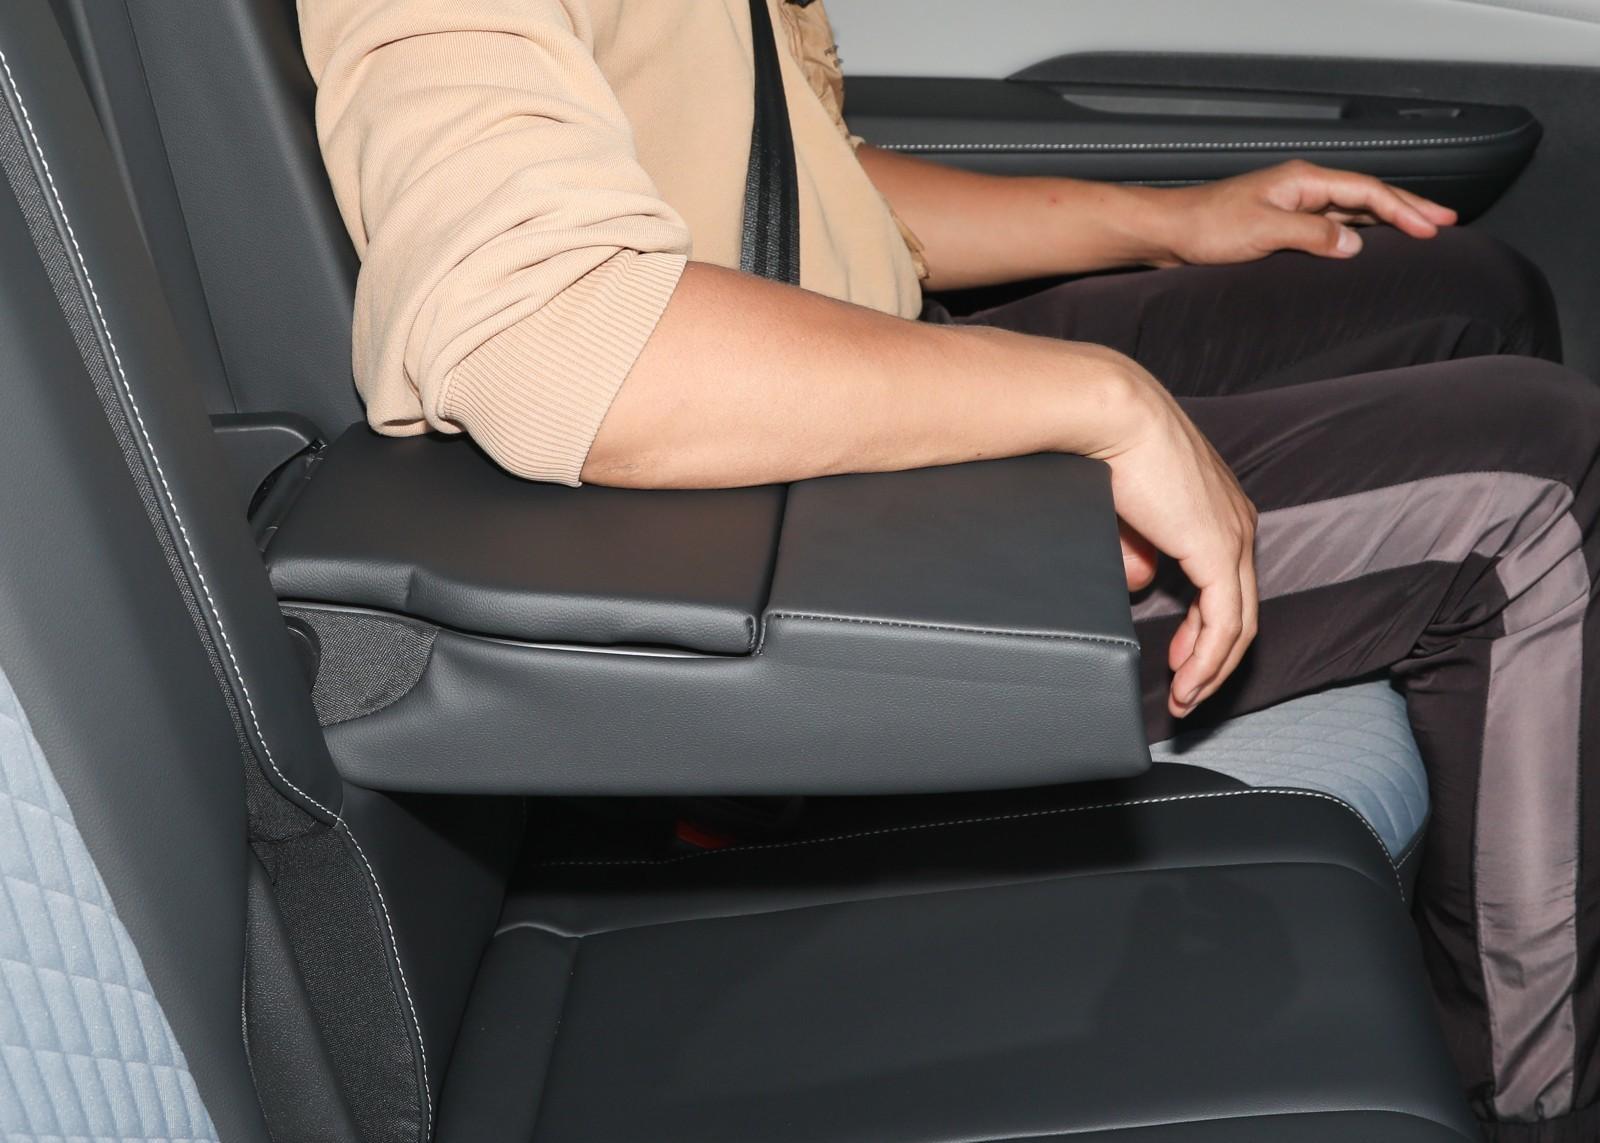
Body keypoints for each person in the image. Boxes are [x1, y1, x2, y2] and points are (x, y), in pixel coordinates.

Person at [299, 1, 1598, 1136]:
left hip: (826, 374)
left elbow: (809, 190)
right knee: (1535, 487)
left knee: (1465, 291)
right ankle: (1530, 1111)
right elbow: (550, 332)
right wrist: (1097, 402)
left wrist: (1168, 222)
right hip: (756, 552)